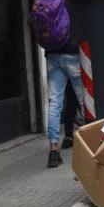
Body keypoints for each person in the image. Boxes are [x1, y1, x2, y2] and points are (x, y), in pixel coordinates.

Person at [45, 37, 85, 166]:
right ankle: (92, 143)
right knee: (83, 101)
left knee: (55, 103)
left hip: (52, 54)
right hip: (72, 53)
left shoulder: (50, 14)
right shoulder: (72, 15)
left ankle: (54, 151)